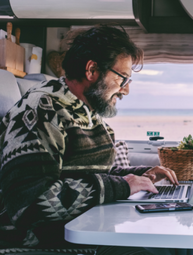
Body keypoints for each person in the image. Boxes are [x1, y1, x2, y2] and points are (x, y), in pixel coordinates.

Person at [0, 25, 179, 254]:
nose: (125, 91)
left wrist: (140, 175)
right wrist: (123, 186)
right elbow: (30, 204)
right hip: (40, 242)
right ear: (92, 70)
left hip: (84, 229)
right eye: (123, 78)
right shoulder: (42, 112)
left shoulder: (87, 113)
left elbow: (92, 175)